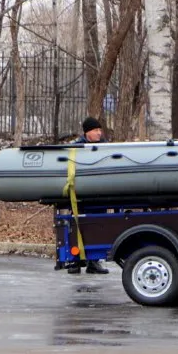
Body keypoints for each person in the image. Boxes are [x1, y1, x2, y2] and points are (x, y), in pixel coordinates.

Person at [68, 117, 109, 275]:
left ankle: (94, 262)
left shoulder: (105, 147)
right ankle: (75, 261)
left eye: (100, 130)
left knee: (98, 227)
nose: (99, 133)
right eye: (96, 130)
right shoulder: (77, 148)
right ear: (87, 132)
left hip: (100, 196)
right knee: (78, 227)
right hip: (82, 196)